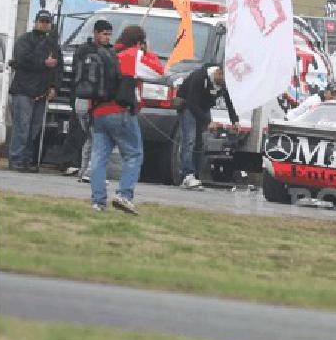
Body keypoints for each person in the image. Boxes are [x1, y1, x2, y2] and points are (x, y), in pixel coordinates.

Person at [88, 25, 164, 214]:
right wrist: (147, 51)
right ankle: (124, 194)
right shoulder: (132, 54)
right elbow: (158, 71)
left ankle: (98, 202)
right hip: (120, 111)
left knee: (98, 158)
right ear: (139, 42)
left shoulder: (107, 54)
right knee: (133, 154)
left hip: (98, 112)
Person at [7, 10, 62, 172]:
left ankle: (27, 159)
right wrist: (44, 62)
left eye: (47, 21)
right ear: (36, 21)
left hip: (42, 92)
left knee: (35, 128)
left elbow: (59, 69)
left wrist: (54, 87)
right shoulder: (24, 40)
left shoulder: (53, 44)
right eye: (42, 21)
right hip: (23, 90)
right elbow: (21, 60)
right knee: (22, 127)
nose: (44, 24)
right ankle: (16, 158)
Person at [176, 64, 240, 188]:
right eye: (224, 81)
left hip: (204, 107)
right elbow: (192, 103)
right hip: (189, 106)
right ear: (219, 73)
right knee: (189, 139)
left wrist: (235, 120)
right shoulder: (200, 77)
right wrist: (207, 121)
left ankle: (196, 173)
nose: (224, 85)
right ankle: (186, 174)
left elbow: (229, 102)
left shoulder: (224, 84)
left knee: (202, 142)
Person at [69, 20, 113, 183]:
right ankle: (92, 172)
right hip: (86, 99)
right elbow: (81, 75)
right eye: (104, 34)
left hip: (95, 100)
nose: (107, 38)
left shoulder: (108, 51)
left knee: (91, 137)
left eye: (109, 34)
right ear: (96, 33)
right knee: (98, 137)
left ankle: (84, 170)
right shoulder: (85, 51)